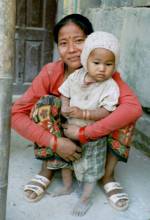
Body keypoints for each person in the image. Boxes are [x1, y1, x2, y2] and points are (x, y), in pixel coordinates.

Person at [11, 14, 142, 211]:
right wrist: (54, 142)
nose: (71, 49)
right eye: (63, 43)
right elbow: (16, 114)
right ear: (58, 48)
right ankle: (47, 170)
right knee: (46, 104)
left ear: (90, 43)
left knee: (124, 115)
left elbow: (133, 109)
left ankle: (107, 176)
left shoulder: (105, 72)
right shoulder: (50, 72)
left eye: (79, 41)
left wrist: (84, 133)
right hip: (63, 135)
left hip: (91, 137)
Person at [57, 31, 120, 216]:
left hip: (93, 135)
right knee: (66, 162)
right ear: (86, 60)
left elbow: (107, 111)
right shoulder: (76, 76)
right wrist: (65, 106)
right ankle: (68, 186)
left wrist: (84, 113)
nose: (102, 69)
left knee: (91, 168)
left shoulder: (109, 87)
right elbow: (65, 92)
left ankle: (85, 198)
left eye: (108, 64)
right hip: (70, 130)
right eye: (97, 63)